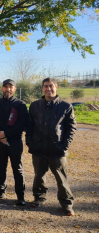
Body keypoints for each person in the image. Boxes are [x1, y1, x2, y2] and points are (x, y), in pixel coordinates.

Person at [26, 78, 77, 216]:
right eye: (46, 86)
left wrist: (64, 146)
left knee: (61, 178)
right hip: (39, 148)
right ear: (42, 88)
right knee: (39, 176)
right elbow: (29, 125)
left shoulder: (66, 106)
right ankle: (39, 198)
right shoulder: (35, 105)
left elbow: (71, 128)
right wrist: (30, 142)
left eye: (51, 86)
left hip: (57, 149)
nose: (49, 89)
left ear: (56, 87)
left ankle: (66, 204)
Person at [0, 79, 28, 206]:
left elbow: (22, 124)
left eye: (10, 87)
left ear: (15, 89)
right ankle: (0, 190)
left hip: (15, 141)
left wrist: (6, 134)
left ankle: (20, 195)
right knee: (1, 167)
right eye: (5, 87)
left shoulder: (20, 105)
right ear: (2, 89)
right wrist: (0, 135)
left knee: (17, 168)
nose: (8, 89)